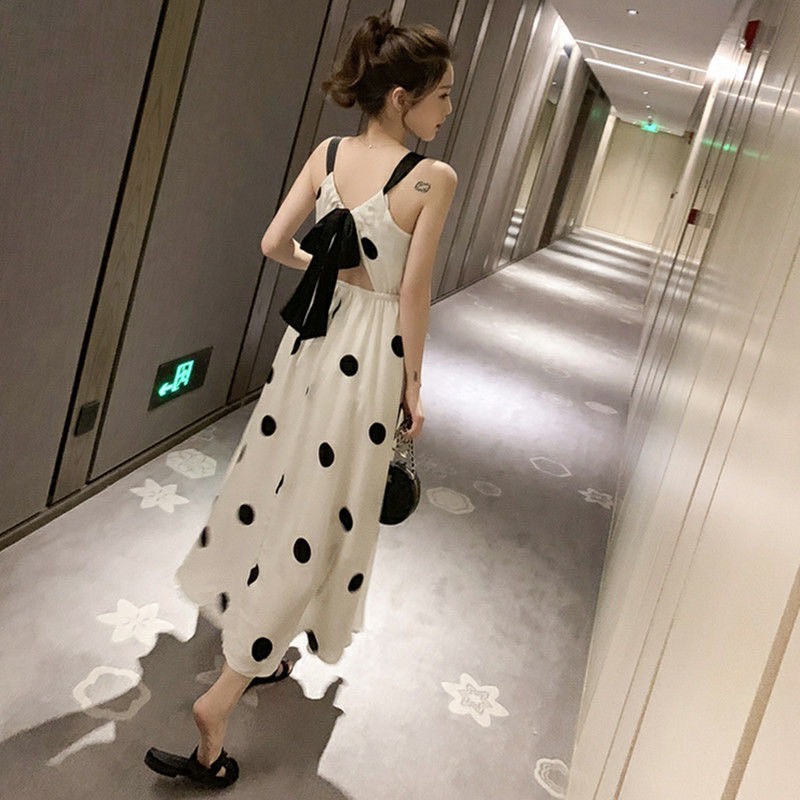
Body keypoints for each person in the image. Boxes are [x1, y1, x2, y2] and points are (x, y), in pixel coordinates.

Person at [145, 8, 457, 789]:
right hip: (372, 359)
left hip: (309, 348)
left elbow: (272, 243)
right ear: (402, 98)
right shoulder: (432, 179)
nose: (448, 110)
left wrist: (329, 272)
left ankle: (264, 643)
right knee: (323, 520)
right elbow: (413, 292)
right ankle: (223, 698)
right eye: (442, 95)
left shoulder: (327, 153)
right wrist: (415, 383)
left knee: (281, 492)